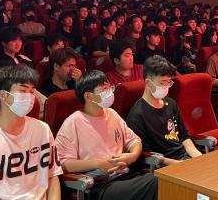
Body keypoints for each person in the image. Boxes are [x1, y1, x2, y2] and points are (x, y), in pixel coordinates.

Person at [55, 70, 158, 200]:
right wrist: (98, 163)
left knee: (162, 180)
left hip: (125, 176)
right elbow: (63, 164)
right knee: (156, 182)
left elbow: (134, 141)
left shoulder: (112, 114)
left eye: (109, 87)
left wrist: (132, 156)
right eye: (104, 89)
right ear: (88, 96)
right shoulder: (74, 122)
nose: (109, 92)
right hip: (99, 185)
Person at [0, 65, 62, 198]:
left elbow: (52, 176)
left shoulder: (43, 129)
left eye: (32, 92)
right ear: (4, 96)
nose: (29, 97)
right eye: (23, 91)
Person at [126, 56, 202, 165]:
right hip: (164, 165)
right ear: (148, 82)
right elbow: (147, 156)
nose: (166, 86)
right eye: (162, 83)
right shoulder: (137, 115)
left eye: (169, 82)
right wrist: (180, 164)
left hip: (184, 158)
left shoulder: (171, 104)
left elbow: (184, 137)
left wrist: (198, 157)